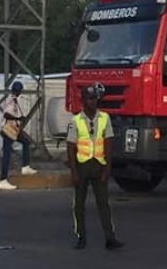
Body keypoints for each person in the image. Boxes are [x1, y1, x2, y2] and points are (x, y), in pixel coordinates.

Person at [67, 83, 123, 251]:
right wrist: (74, 172)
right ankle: (81, 237)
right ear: (83, 101)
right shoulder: (76, 121)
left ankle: (110, 238)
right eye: (89, 99)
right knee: (79, 204)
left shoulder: (104, 118)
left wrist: (107, 169)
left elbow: (108, 144)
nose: (92, 102)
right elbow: (71, 147)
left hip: (99, 164)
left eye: (94, 98)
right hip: (82, 165)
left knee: (103, 203)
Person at [0, 81, 38, 190]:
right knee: (6, 155)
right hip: (8, 130)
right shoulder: (11, 100)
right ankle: (3, 180)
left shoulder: (13, 99)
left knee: (26, 142)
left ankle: (25, 167)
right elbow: (6, 114)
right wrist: (18, 119)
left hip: (13, 129)